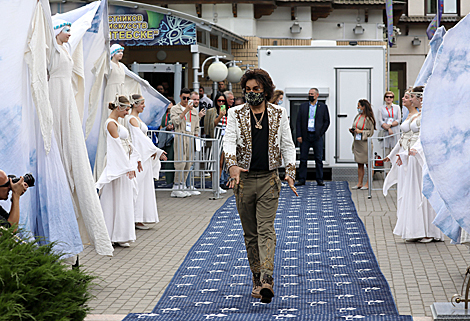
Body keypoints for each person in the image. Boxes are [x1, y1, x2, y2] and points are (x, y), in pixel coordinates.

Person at [224, 69, 298, 304]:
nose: (252, 94)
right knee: (251, 234)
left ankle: (267, 279)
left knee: (266, 229)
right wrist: (232, 166)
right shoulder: (235, 113)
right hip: (243, 182)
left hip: (269, 179)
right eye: (247, 90)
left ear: (265, 90)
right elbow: (228, 140)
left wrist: (290, 172)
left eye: (256, 90)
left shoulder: (279, 113)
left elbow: (287, 143)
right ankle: (256, 279)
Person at [49, 19, 113, 256]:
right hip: (55, 96)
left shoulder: (66, 49)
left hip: (65, 97)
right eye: (66, 31)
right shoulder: (52, 51)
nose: (69, 35)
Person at [384, 87, 444, 242]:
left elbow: (426, 137)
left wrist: (414, 150)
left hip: (420, 157)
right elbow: (406, 138)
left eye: (412, 97)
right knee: (413, 190)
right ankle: (416, 229)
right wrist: (399, 154)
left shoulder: (428, 115)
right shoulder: (417, 115)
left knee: (422, 191)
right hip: (411, 157)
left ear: (419, 98)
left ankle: (428, 230)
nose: (410, 99)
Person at [96, 96, 142, 248]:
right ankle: (110, 234)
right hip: (117, 163)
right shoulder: (110, 123)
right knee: (113, 197)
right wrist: (127, 167)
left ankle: (121, 234)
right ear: (119, 108)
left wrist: (136, 159)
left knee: (123, 197)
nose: (128, 112)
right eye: (127, 109)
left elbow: (126, 143)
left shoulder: (117, 123)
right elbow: (116, 145)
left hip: (123, 161)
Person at [126, 94, 167, 230]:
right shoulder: (131, 119)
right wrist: (156, 151)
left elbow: (143, 138)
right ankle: (135, 218)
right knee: (138, 186)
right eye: (142, 103)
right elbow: (140, 138)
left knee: (143, 187)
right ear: (136, 104)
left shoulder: (137, 119)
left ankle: (140, 217)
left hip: (145, 154)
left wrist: (154, 150)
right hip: (140, 156)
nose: (144, 106)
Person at [94, 44, 128, 181]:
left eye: (122, 52)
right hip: (111, 92)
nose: (121, 54)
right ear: (113, 53)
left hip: (121, 91)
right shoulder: (109, 65)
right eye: (118, 52)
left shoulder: (122, 66)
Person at [295, 88, 330, 186]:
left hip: (316, 136)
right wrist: (299, 135)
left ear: (317, 95)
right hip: (305, 136)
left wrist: (320, 133)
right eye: (309, 94)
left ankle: (320, 179)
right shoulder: (303, 106)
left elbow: (327, 121)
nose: (310, 95)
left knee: (318, 159)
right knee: (303, 159)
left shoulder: (323, 107)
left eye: (312, 94)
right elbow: (298, 121)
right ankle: (301, 179)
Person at [170, 88, 200, 198]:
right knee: (180, 162)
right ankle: (176, 186)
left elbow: (196, 126)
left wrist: (196, 137)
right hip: (180, 135)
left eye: (188, 98)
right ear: (180, 96)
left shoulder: (194, 111)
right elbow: (175, 122)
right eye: (184, 98)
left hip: (190, 136)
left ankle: (183, 184)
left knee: (189, 162)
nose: (186, 100)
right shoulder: (175, 108)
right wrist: (185, 110)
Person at [204, 92, 228, 194]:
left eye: (223, 101)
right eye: (219, 101)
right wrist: (220, 116)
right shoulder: (212, 111)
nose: (221, 103)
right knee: (213, 162)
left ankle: (217, 184)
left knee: (221, 162)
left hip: (224, 139)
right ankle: (214, 185)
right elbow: (210, 126)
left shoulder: (227, 111)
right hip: (215, 139)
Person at [349, 99, 376, 190]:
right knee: (359, 163)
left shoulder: (369, 118)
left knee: (368, 163)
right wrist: (353, 131)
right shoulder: (358, 116)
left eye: (359, 106)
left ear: (363, 107)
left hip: (365, 144)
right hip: (357, 142)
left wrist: (360, 131)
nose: (358, 108)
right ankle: (359, 183)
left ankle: (368, 184)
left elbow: (370, 132)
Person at [377, 91, 401, 164]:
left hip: (395, 132)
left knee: (395, 152)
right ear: (384, 98)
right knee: (386, 152)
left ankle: (395, 171)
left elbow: (399, 119)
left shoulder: (397, 107)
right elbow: (380, 121)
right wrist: (388, 128)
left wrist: (390, 125)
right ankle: (387, 172)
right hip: (386, 132)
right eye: (387, 97)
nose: (389, 98)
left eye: (391, 97)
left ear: (393, 98)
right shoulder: (381, 108)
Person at [159, 98, 175, 185]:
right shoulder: (163, 114)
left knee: (172, 160)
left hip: (172, 138)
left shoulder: (174, 113)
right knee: (167, 159)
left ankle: (173, 181)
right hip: (164, 138)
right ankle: (168, 180)